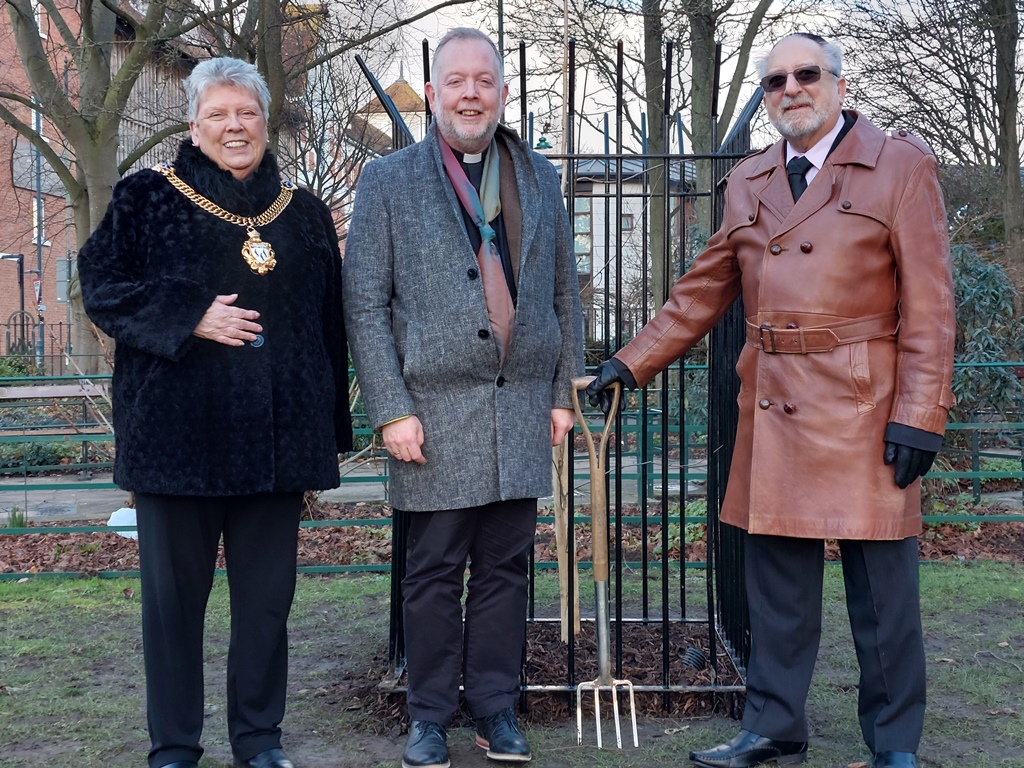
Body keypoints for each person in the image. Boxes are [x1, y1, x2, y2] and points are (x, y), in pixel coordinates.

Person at [586, 33, 955, 768]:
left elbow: (932, 307)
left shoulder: (900, 166)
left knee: (883, 601)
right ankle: (773, 728)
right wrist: (632, 362)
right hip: (776, 403)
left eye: (806, 74)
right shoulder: (749, 179)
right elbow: (704, 287)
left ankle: (894, 745)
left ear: (840, 86)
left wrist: (921, 412)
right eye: (775, 80)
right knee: (776, 589)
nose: (791, 88)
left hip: (867, 405)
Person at [77, 57, 352, 768]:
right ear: (193, 126)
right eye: (219, 115)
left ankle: (259, 741)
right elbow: (101, 285)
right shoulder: (148, 197)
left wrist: (327, 435)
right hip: (177, 444)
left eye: (247, 113)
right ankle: (174, 745)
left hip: (277, 446)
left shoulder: (304, 212)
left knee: (265, 610)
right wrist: (190, 315)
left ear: (265, 120)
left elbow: (331, 328)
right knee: (173, 612)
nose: (235, 126)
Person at [343, 27, 584, 768]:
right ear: (436, 92)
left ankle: (495, 709)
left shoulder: (541, 175)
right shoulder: (388, 180)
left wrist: (563, 392)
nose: (471, 93)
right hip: (430, 415)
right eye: (457, 81)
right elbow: (364, 304)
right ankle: (428, 716)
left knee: (508, 571)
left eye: (484, 80)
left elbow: (566, 293)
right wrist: (388, 407)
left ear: (503, 92)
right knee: (433, 575)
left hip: (519, 408)